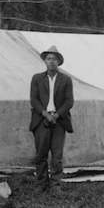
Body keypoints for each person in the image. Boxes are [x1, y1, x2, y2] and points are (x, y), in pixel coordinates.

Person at [29, 45, 74, 193]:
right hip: (41, 119)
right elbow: (34, 99)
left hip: (59, 121)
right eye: (49, 58)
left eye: (54, 59)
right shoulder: (37, 78)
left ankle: (55, 185)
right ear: (45, 61)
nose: (51, 62)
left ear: (59, 61)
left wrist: (56, 115)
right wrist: (45, 114)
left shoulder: (66, 80)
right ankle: (41, 183)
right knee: (41, 153)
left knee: (57, 155)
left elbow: (69, 101)